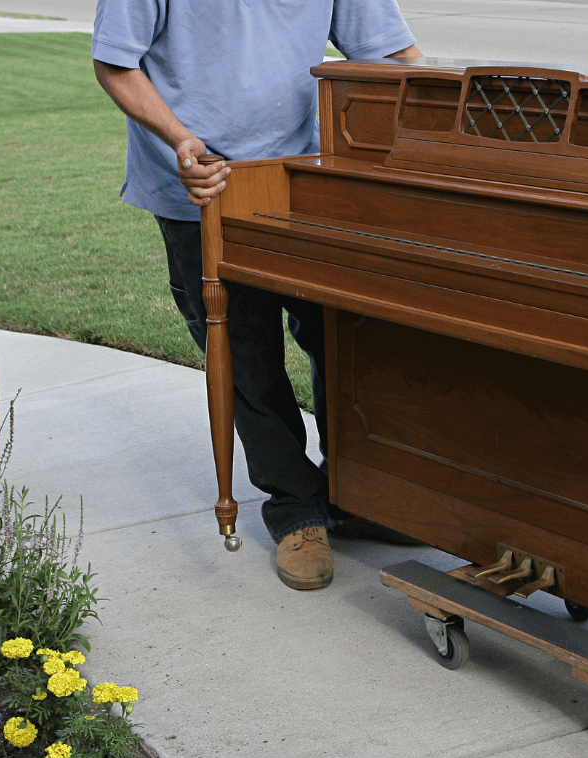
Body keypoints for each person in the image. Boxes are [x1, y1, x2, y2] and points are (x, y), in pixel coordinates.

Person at [91, 0, 422, 591]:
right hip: (204, 182)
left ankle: (356, 495)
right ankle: (297, 510)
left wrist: (459, 110)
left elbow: (390, 53)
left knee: (344, 335)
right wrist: (179, 140)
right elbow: (117, 64)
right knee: (245, 352)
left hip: (306, 173)